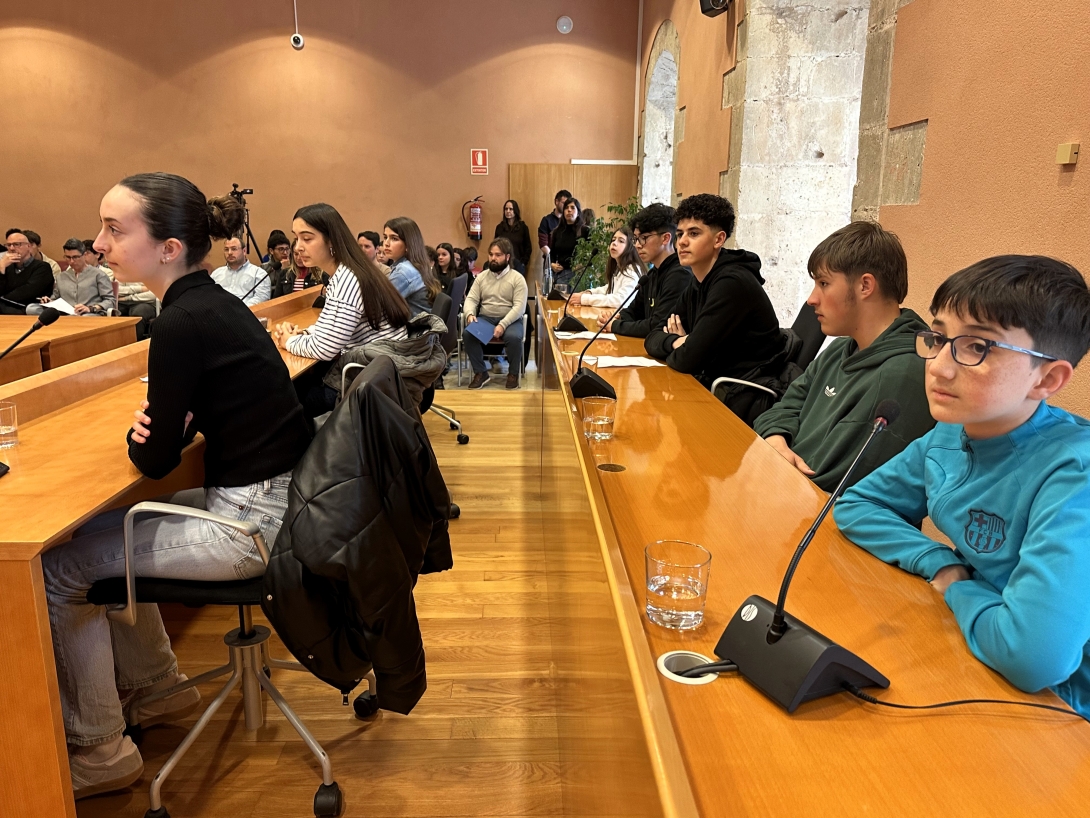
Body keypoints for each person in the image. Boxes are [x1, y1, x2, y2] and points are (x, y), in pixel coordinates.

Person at [40, 172, 313, 799]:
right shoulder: (213, 303)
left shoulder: (181, 322)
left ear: (168, 249)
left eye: (115, 229)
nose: (99, 244)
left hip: (251, 526)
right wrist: (173, 419)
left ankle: (100, 751)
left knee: (59, 569)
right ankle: (160, 689)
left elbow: (155, 460)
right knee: (98, 532)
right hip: (275, 503)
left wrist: (149, 430)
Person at [834, 255, 1090, 720]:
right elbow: (857, 504)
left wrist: (957, 587)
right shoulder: (952, 433)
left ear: (1047, 378)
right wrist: (940, 561)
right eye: (938, 338)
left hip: (1060, 709)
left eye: (977, 348)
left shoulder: (1075, 473)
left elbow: (1033, 658)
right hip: (978, 647)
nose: (939, 367)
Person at [753, 221, 935, 491]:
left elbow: (829, 481)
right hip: (783, 487)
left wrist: (773, 461)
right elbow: (785, 406)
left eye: (824, 283)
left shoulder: (903, 374)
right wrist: (776, 439)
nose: (812, 299)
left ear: (865, 286)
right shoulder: (840, 348)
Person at [644, 194, 786, 421]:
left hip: (742, 395)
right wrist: (679, 341)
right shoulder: (698, 281)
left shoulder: (732, 283)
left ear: (719, 239)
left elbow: (686, 360)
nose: (681, 242)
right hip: (714, 385)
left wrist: (686, 345)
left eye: (694, 233)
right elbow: (652, 336)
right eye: (680, 234)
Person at [271, 203, 411, 416]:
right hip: (379, 373)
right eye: (296, 238)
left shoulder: (347, 279)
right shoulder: (349, 270)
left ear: (332, 240)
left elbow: (325, 349)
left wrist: (288, 341)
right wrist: (303, 333)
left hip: (371, 384)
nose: (297, 247)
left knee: (283, 399)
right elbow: (331, 327)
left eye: (307, 238)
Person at [599, 202, 692, 338]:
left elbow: (657, 325)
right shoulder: (651, 274)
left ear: (665, 238)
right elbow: (634, 311)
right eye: (636, 239)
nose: (637, 245)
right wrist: (616, 317)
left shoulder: (680, 275)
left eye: (644, 238)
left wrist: (615, 325)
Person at [462, 238, 529, 390]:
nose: (493, 258)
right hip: (486, 318)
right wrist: (470, 314)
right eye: (491, 254)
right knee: (468, 334)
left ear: (507, 257)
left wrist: (503, 324)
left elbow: (519, 307)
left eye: (498, 255)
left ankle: (513, 374)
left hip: (510, 320)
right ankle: (481, 373)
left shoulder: (517, 279)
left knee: (514, 337)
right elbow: (471, 299)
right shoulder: (482, 277)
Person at [28, 237, 115, 316]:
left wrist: (91, 308)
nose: (72, 261)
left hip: (89, 313)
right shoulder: (62, 276)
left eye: (75, 257)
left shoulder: (99, 274)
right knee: (31, 308)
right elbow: (55, 298)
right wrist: (49, 301)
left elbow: (110, 300)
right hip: (65, 312)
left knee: (85, 317)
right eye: (68, 257)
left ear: (84, 255)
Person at [569, 226, 644, 309]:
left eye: (621, 241)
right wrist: (590, 293)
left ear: (631, 247)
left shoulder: (632, 270)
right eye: (613, 240)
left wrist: (586, 299)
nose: (614, 243)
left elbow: (620, 300)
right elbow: (609, 289)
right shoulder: (620, 267)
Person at [382, 217, 440, 314]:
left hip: (410, 323)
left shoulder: (404, 272)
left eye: (394, 239)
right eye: (385, 237)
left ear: (408, 244)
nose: (386, 243)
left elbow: (380, 306)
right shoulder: (415, 264)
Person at [0, 228, 54, 314]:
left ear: (28, 246)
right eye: (8, 245)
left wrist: (2, 298)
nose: (12, 248)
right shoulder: (6, 266)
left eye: (17, 244)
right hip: (5, 307)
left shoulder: (42, 267)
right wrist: (1, 268)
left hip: (29, 309)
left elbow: (26, 293)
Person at [210, 236, 270, 306]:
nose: (229, 253)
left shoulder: (259, 274)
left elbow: (261, 298)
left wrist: (239, 309)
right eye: (226, 249)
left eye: (234, 249)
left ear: (244, 251)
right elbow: (209, 295)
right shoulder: (216, 274)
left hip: (246, 311)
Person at [548, 198, 587, 287]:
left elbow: (591, 253)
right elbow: (552, 253)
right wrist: (552, 264)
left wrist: (582, 264)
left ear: (578, 212)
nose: (569, 210)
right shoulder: (557, 232)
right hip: (561, 274)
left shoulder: (585, 231)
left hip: (579, 275)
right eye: (566, 208)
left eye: (572, 208)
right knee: (560, 296)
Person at [494, 199, 531, 273]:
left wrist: (523, 263)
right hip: (502, 265)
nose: (508, 211)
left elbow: (528, 247)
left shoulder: (523, 227)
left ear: (515, 211)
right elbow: (495, 246)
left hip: (518, 265)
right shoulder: (499, 227)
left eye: (511, 209)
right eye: (506, 209)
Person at [538, 188, 571, 258]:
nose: (566, 207)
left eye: (567, 204)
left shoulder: (570, 220)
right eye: (563, 203)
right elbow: (543, 245)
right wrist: (553, 258)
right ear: (556, 202)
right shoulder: (547, 220)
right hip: (551, 260)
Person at [263, 230, 294, 298]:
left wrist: (286, 271)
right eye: (281, 249)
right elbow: (263, 291)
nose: (285, 253)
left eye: (287, 249)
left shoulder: (294, 268)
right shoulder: (264, 268)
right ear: (271, 251)